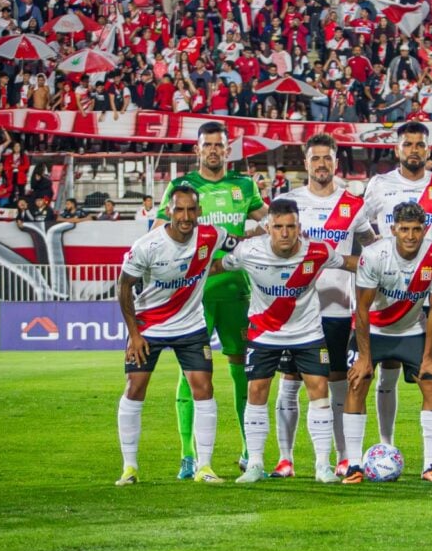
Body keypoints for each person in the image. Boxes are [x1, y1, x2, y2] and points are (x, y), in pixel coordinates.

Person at [214, 198, 357, 484]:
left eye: (290, 226)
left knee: (319, 390)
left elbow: (351, 263)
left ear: (299, 227)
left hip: (308, 333)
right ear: (267, 227)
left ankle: (322, 466)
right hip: (264, 332)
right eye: (277, 226)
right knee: (257, 391)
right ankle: (255, 463)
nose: (284, 233)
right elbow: (216, 266)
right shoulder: (248, 251)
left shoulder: (317, 251)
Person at [155, 122, 269, 480]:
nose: (215, 150)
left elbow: (271, 223)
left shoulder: (244, 185)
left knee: (244, 373)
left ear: (228, 149)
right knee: (192, 373)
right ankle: (188, 456)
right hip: (194, 296)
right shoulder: (182, 188)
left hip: (237, 292)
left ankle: (250, 452)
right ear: (198, 149)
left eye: (220, 145)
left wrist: (257, 234)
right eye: (208, 145)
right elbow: (161, 231)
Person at [115, 185, 238, 486]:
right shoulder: (147, 246)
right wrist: (134, 334)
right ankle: (129, 468)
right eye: (179, 209)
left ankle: (204, 466)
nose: (185, 216)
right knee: (135, 387)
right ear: (168, 211)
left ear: (199, 212)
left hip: (191, 325)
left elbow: (241, 246)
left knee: (203, 388)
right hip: (149, 326)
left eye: (191, 209)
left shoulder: (212, 235)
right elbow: (123, 286)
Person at [271, 134, 376, 479]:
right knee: (290, 381)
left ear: (335, 163)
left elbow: (371, 251)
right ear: (305, 163)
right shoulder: (288, 201)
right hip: (294, 308)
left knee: (336, 383)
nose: (321, 164)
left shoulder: (352, 204)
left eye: (327, 158)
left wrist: (344, 262)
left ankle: (344, 456)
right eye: (315, 158)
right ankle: (285, 458)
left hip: (336, 311)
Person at [342, 202, 432, 484]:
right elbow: (363, 309)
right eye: (404, 229)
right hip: (374, 331)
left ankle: (431, 465)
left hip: (412, 330)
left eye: (417, 229)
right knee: (357, 381)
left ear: (426, 229)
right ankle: (354, 466)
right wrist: (365, 357)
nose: (411, 236)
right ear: (393, 229)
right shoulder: (373, 255)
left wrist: (429, 356)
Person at [362, 122, 432, 449]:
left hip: (430, 296)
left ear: (428, 150)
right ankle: (384, 446)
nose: (414, 149)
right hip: (388, 296)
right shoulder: (380, 185)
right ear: (397, 149)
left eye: (420, 144)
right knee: (385, 372)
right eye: (408, 144)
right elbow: (361, 226)